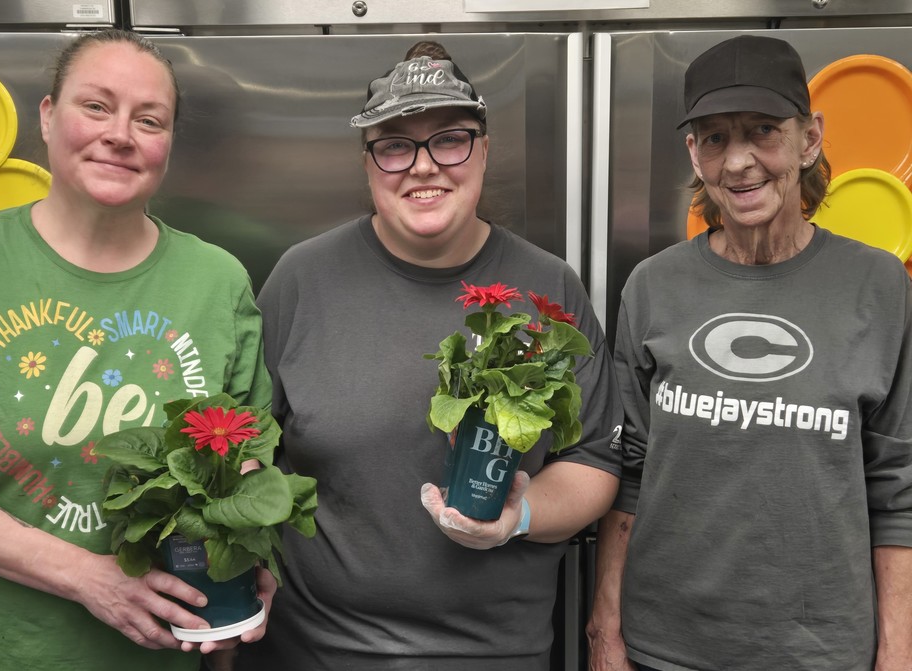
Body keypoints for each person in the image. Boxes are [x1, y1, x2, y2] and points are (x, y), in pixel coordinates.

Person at [0, 29, 274, 671]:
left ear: (168, 144)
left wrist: (245, 558)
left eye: (149, 119)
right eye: (96, 106)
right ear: (47, 115)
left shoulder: (218, 280)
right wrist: (91, 579)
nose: (120, 133)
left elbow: (242, 467)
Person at [234, 40, 621, 671]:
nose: (423, 166)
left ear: (484, 150)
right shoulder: (302, 279)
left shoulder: (549, 289)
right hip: (313, 652)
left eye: (449, 139)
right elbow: (249, 447)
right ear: (367, 164)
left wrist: (516, 515)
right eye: (394, 145)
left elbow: (595, 461)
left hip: (496, 654)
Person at [586, 34, 912, 671]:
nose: (739, 162)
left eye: (763, 131)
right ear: (694, 153)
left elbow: (898, 487)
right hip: (666, 647)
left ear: (808, 138)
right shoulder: (653, 286)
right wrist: (605, 628)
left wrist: (898, 650)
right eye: (715, 138)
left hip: (820, 651)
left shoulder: (879, 287)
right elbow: (628, 469)